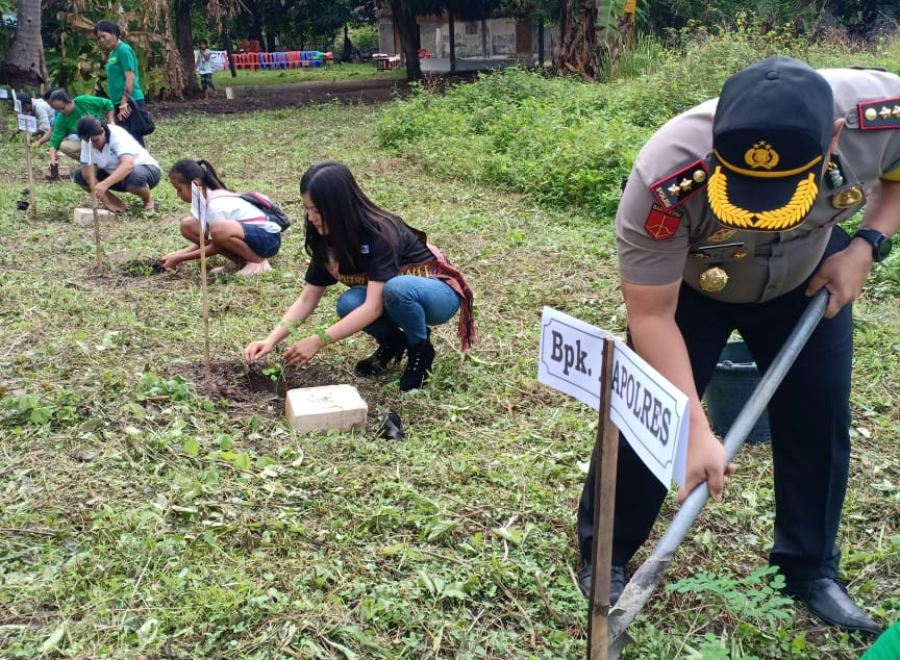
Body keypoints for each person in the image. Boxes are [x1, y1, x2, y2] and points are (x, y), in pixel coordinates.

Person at [577, 56, 900, 635]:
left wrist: (867, 245)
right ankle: (608, 552)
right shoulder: (669, 170)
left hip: (809, 273)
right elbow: (650, 313)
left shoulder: (882, 114)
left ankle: (809, 568)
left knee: (818, 414)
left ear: (834, 137)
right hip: (695, 287)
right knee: (650, 416)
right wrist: (697, 431)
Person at [243, 160, 476, 391]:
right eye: (308, 209)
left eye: (316, 210)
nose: (311, 218)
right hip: (395, 295)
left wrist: (317, 341)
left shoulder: (378, 233)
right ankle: (394, 342)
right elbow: (307, 299)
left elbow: (374, 307)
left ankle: (420, 351)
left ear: (339, 208)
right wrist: (271, 339)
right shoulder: (325, 237)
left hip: (437, 294)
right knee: (349, 303)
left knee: (396, 288)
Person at [161, 159, 281, 275]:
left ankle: (257, 263)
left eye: (179, 189)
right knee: (188, 225)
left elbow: (216, 246)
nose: (178, 195)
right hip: (250, 236)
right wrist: (175, 255)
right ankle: (241, 261)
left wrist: (179, 258)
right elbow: (207, 240)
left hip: (268, 238)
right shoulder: (202, 203)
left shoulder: (214, 206)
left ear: (195, 184)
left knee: (218, 229)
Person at [73, 116, 160, 213]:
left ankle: (148, 201)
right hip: (117, 177)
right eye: (89, 141)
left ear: (103, 131)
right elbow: (87, 174)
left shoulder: (117, 134)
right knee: (79, 175)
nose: (93, 145)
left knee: (134, 178)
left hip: (145, 170)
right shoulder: (87, 141)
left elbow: (128, 165)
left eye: (96, 141)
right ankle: (114, 201)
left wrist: (104, 184)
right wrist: (106, 199)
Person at [93, 20, 147, 146]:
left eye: (103, 36)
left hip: (129, 101)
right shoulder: (112, 53)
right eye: (99, 38)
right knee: (123, 139)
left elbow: (130, 78)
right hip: (117, 101)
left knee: (134, 139)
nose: (101, 40)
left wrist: (124, 102)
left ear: (113, 33)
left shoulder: (124, 50)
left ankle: (142, 165)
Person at [38, 89, 115, 173]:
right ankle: (92, 164)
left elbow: (108, 104)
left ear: (70, 102)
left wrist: (111, 123)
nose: (61, 112)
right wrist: (52, 161)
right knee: (64, 146)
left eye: (63, 108)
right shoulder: (62, 118)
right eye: (58, 110)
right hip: (87, 143)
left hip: (104, 137)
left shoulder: (83, 101)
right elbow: (54, 140)